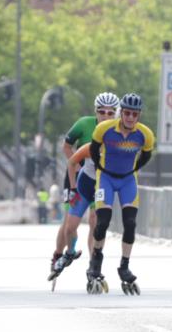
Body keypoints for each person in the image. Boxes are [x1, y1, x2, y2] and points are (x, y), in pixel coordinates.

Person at [85, 93, 155, 295]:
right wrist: (101, 169)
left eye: (134, 114)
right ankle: (96, 261)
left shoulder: (145, 134)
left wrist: (131, 170)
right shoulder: (103, 129)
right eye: (127, 114)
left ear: (138, 115)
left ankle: (124, 265)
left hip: (128, 180)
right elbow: (93, 149)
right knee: (103, 222)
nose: (130, 118)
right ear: (121, 113)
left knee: (130, 223)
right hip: (105, 178)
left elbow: (146, 156)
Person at [49, 92, 120, 282]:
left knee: (95, 221)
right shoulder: (83, 123)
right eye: (101, 112)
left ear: (116, 114)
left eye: (110, 113)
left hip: (100, 180)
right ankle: (59, 253)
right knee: (68, 223)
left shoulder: (120, 130)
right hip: (76, 176)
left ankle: (93, 265)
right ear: (95, 111)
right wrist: (78, 165)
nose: (105, 116)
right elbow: (66, 146)